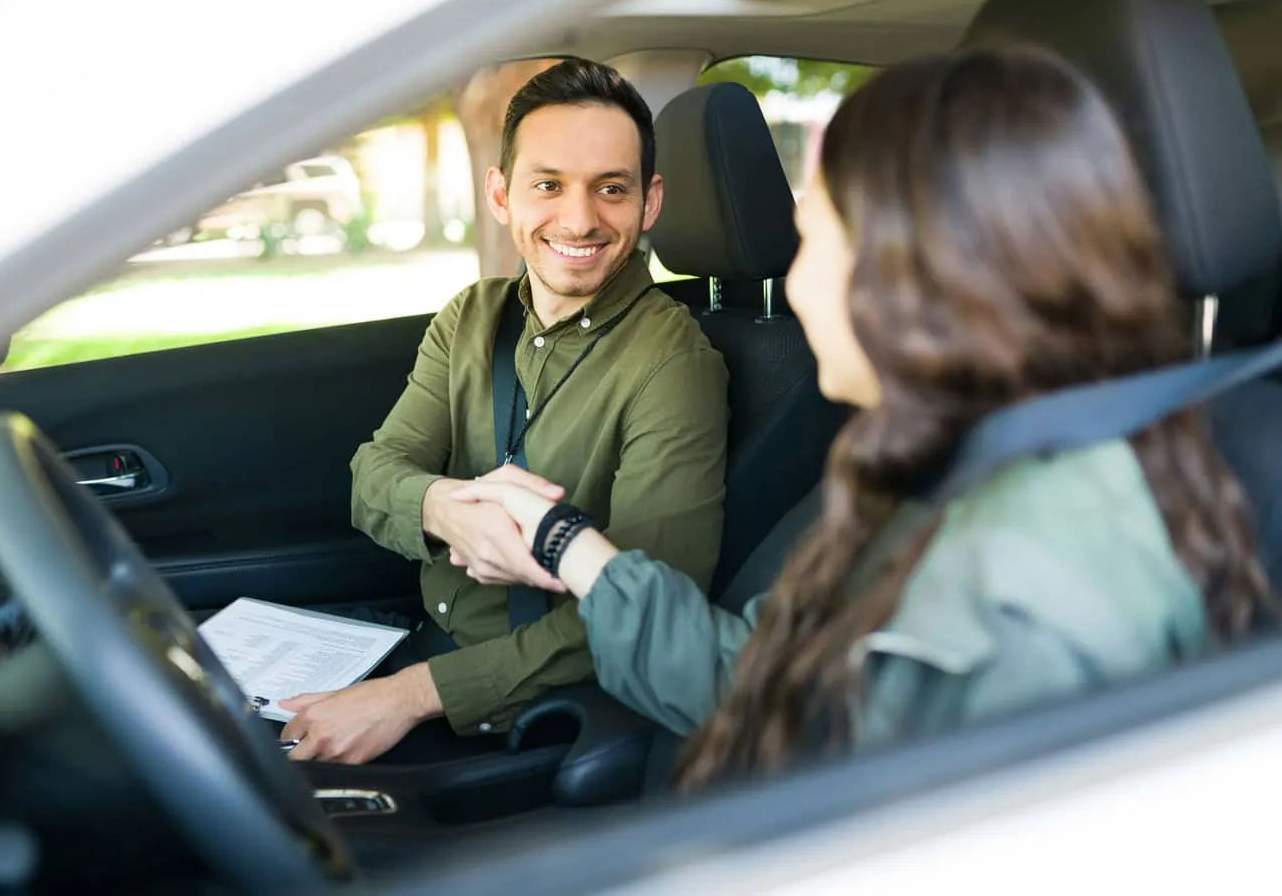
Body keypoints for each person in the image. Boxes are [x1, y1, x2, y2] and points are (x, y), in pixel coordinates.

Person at [448, 46, 1274, 791]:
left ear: (912, 274)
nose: (798, 288)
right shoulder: (953, 467)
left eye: (818, 242)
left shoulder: (1028, 585)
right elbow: (765, 679)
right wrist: (562, 538)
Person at [279, 58, 729, 765]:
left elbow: (637, 613)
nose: (580, 219)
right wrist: (442, 508)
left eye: (611, 189)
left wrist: (411, 695)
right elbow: (374, 475)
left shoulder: (673, 362)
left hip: (528, 710)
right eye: (548, 185)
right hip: (427, 639)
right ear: (500, 195)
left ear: (650, 202)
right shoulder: (470, 319)